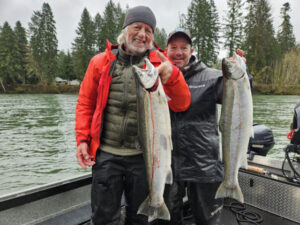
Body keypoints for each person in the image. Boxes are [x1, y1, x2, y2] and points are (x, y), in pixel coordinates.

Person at [75, 7, 191, 225]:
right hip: (106, 155)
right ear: (125, 30)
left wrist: (173, 75)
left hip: (144, 157)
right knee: (102, 217)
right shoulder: (100, 62)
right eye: (137, 27)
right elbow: (85, 104)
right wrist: (82, 140)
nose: (142, 34)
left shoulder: (160, 64)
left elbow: (183, 103)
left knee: (139, 219)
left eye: (148, 30)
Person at [156, 28, 250, 225]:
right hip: (169, 163)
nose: (179, 52)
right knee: (166, 219)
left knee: (207, 220)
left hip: (204, 162)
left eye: (184, 47)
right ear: (166, 50)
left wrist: (244, 75)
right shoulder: (156, 77)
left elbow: (236, 96)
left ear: (191, 51)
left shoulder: (212, 76)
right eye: (174, 47)